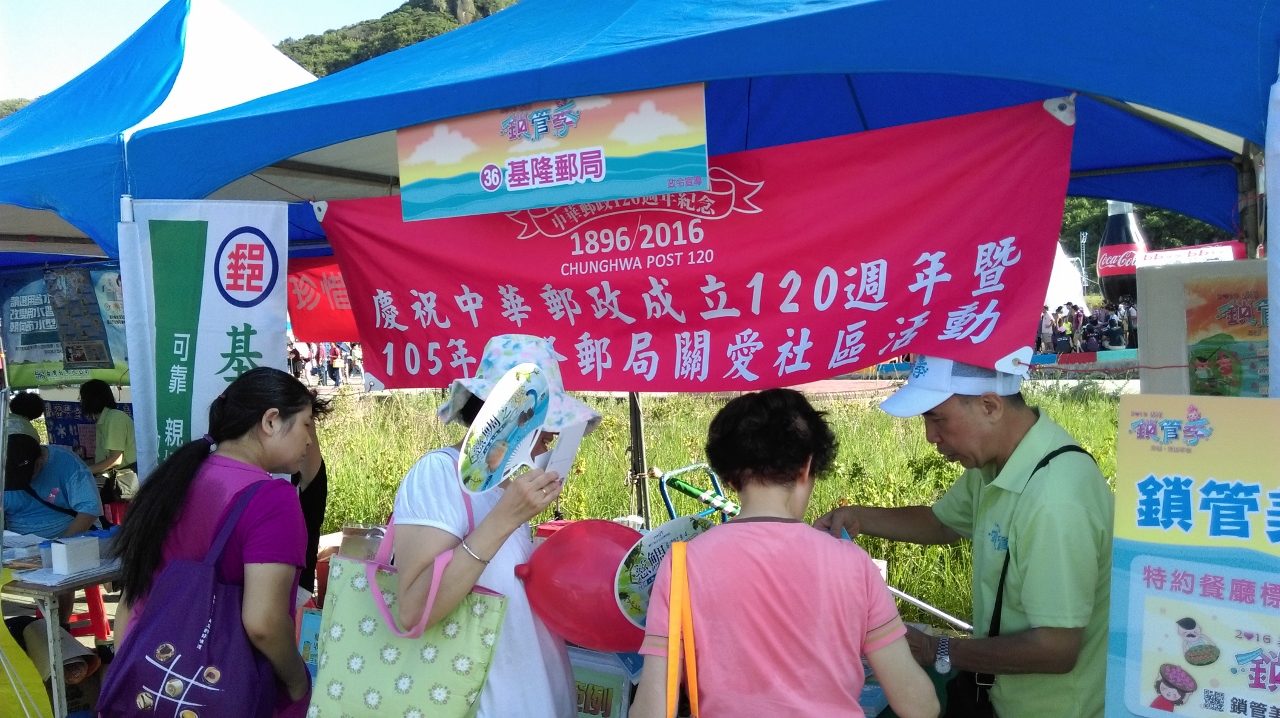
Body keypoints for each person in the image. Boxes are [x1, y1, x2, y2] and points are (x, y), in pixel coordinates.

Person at [817, 356, 1113, 718]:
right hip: (1005, 700)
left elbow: (1056, 649)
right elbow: (942, 523)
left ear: (990, 406)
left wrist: (937, 649)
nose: (931, 436)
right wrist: (859, 517)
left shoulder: (1055, 500)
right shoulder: (998, 462)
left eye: (938, 419)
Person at [630, 389, 938, 718]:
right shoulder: (853, 563)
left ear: (730, 478)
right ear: (807, 467)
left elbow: (653, 709)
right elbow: (919, 706)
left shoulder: (682, 564)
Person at [392, 335, 602, 718]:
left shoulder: (503, 486)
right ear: (504, 415)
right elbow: (413, 609)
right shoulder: (438, 475)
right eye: (542, 425)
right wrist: (505, 518)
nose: (551, 440)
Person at [110, 368, 326, 716]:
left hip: (143, 681)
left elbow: (131, 597)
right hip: (215, 691)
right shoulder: (273, 499)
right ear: (271, 421)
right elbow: (264, 623)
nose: (309, 442)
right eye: (306, 425)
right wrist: (298, 682)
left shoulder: (173, 479)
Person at [3, 433, 101, 538]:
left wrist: (62, 543)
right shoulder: (3, 467)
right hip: (16, 542)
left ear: (39, 462)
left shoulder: (67, 463)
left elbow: (90, 508)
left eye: (23, 478)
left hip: (68, 537)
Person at [80, 379, 138, 502]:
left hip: (124, 481)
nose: (80, 401)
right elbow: (102, 458)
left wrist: (84, 471)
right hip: (114, 479)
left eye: (82, 398)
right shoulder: (104, 420)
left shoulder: (114, 418)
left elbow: (116, 459)